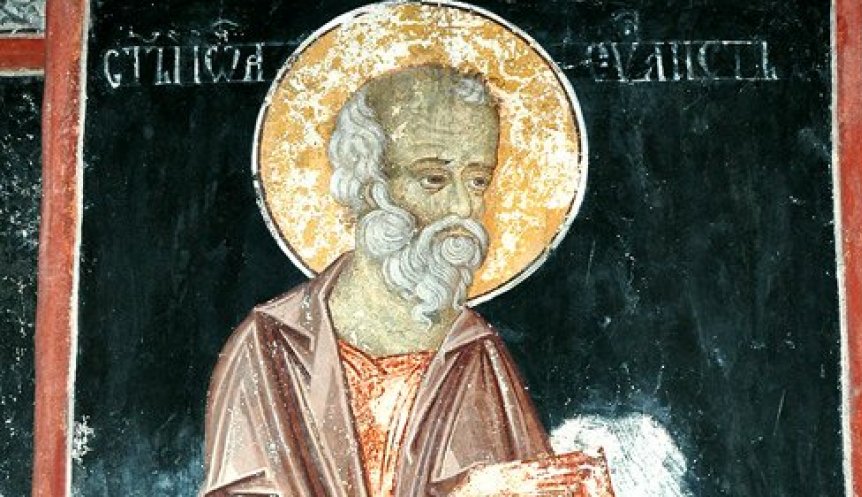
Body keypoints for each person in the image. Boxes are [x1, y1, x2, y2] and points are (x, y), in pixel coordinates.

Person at [200, 65, 614, 497]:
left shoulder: (477, 352)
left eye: (478, 180)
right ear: (368, 185)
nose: (463, 207)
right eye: (433, 179)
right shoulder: (269, 345)